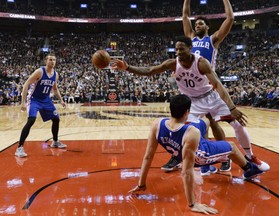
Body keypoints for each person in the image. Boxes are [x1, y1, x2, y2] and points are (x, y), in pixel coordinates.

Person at [112, 35, 270, 173]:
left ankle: (250, 157)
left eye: (182, 49)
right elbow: (150, 70)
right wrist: (127, 67)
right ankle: (179, 157)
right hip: (192, 103)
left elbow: (218, 84)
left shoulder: (201, 63)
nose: (179, 52)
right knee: (183, 131)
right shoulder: (173, 63)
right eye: (177, 49)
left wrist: (232, 107)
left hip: (211, 97)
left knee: (238, 125)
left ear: (190, 48)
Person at [128, 94, 264, 215]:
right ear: (187, 112)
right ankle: (249, 169)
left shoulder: (157, 124)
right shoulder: (192, 133)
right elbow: (187, 172)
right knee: (232, 146)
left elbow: (148, 156)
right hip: (200, 154)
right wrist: (193, 204)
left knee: (204, 120)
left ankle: (208, 125)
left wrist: (141, 184)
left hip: (181, 144)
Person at [167, 0, 235, 174]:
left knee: (211, 122)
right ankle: (193, 157)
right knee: (192, 122)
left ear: (207, 26)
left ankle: (225, 156)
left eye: (201, 23)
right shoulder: (189, 38)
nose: (197, 24)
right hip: (191, 86)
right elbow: (184, 15)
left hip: (206, 85)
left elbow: (229, 19)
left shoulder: (212, 39)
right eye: (195, 23)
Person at [15, 53, 67, 158]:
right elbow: (26, 84)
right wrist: (23, 102)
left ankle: (55, 141)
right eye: (50, 59)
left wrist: (61, 100)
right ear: (46, 61)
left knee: (56, 119)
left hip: (46, 100)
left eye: (54, 60)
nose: (53, 62)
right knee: (31, 120)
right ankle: (19, 148)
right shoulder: (39, 71)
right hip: (34, 99)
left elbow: (55, 89)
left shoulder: (56, 74)